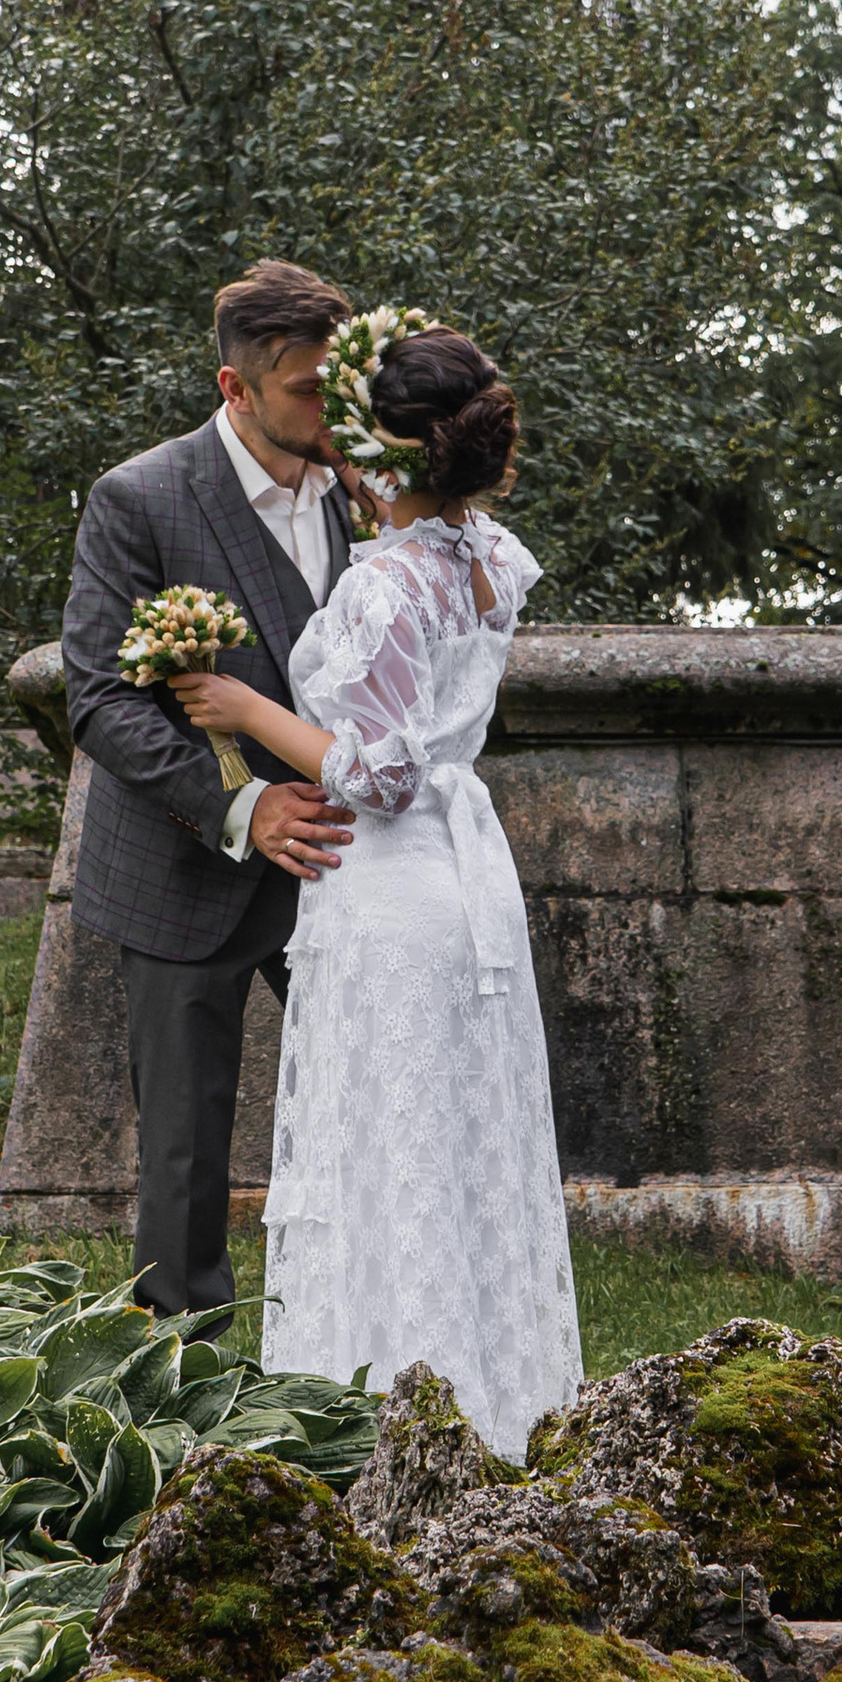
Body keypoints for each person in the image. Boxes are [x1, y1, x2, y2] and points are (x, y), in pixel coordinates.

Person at [171, 325, 583, 1454]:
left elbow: (387, 774)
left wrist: (245, 711)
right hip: (464, 886)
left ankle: (392, 1422)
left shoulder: (390, 586)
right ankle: (485, 1405)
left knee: (392, 1152)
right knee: (455, 1146)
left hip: (392, 888)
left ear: (378, 457)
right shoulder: (487, 556)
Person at [60, 263, 360, 1316]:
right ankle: (178, 1395)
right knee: (185, 1157)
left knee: (366, 1113)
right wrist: (242, 806)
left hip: (335, 868)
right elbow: (99, 699)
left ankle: (346, 1340)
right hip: (183, 872)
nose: (332, 408)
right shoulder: (139, 498)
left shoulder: (355, 493)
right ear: (235, 390)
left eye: (340, 380)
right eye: (306, 388)